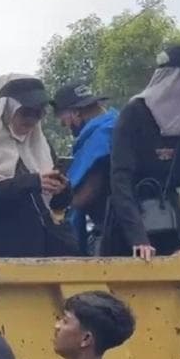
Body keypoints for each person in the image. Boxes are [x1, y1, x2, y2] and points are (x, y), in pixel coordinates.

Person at [107, 44, 180, 260]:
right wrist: (138, 238)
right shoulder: (134, 114)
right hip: (128, 225)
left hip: (168, 216)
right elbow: (120, 179)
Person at [0, 75, 73, 258]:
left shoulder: (41, 146)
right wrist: (30, 182)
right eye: (25, 112)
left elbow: (55, 204)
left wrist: (61, 189)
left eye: (38, 113)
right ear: (8, 110)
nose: (31, 119)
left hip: (40, 248)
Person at [53, 82, 118, 257]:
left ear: (75, 113)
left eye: (63, 119)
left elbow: (86, 193)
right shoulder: (120, 125)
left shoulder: (99, 138)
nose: (63, 125)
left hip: (116, 232)